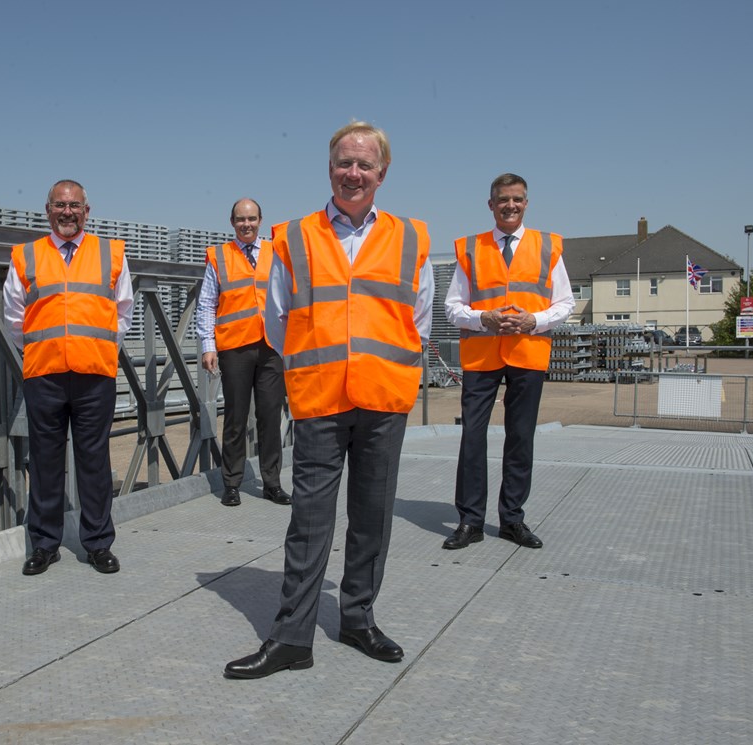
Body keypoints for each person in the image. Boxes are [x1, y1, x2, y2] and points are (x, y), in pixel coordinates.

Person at [224, 122, 434, 679]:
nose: (354, 173)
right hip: (319, 398)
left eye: (366, 164)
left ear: (382, 174)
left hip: (383, 399)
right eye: (345, 162)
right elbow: (275, 321)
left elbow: (419, 319)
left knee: (372, 515)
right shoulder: (292, 237)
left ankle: (358, 618)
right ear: (330, 168)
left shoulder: (411, 237)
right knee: (310, 520)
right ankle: (293, 637)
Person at [2, 179, 134, 575]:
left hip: (95, 372)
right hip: (45, 373)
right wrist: (42, 350)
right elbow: (14, 316)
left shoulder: (110, 252)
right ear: (47, 210)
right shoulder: (27, 255)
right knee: (44, 460)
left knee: (94, 460)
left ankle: (97, 543)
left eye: (75, 206)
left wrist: (101, 348)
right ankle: (45, 544)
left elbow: (123, 311)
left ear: (86, 211)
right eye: (60, 205)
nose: (67, 212)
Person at [442, 173, 574, 551]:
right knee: (472, 438)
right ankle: (470, 521)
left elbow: (565, 303)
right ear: (491, 204)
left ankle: (512, 519)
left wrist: (535, 320)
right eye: (503, 200)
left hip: (528, 352)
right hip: (481, 355)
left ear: (526, 203)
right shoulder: (471, 248)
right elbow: (453, 307)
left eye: (517, 199)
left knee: (520, 438)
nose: (510, 206)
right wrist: (483, 318)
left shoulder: (548, 247)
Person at [196, 198, 290, 508]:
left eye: (251, 218)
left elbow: (290, 295)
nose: (246, 224)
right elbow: (208, 303)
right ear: (232, 222)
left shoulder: (277, 251)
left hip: (272, 346)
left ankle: (272, 483)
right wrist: (208, 346)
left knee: (269, 415)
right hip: (234, 347)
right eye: (240, 219)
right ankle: (232, 483)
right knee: (235, 417)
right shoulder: (219, 256)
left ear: (261, 220)